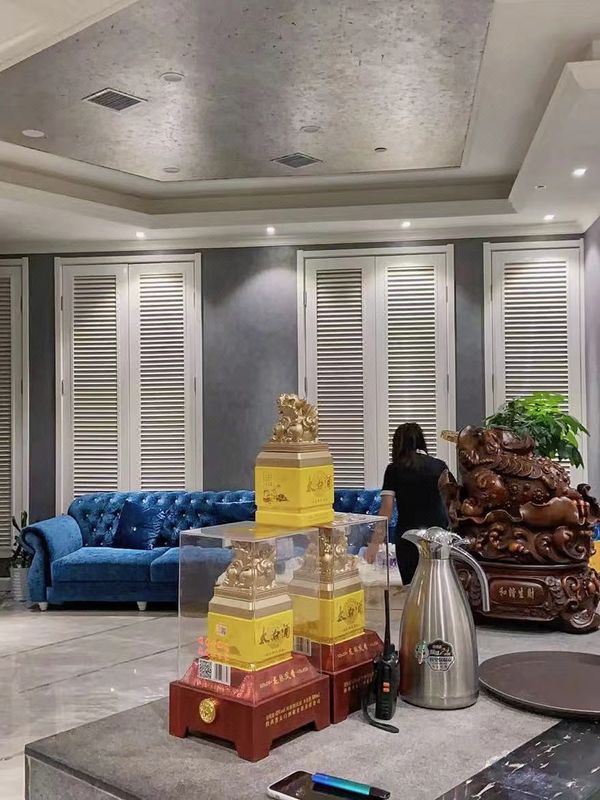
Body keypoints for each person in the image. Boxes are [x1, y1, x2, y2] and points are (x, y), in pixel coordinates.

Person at [369, 422, 456, 585]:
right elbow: (452, 501)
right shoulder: (440, 466)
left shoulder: (394, 469)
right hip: (437, 535)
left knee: (412, 586)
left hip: (408, 537)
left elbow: (386, 509)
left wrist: (374, 543)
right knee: (437, 584)